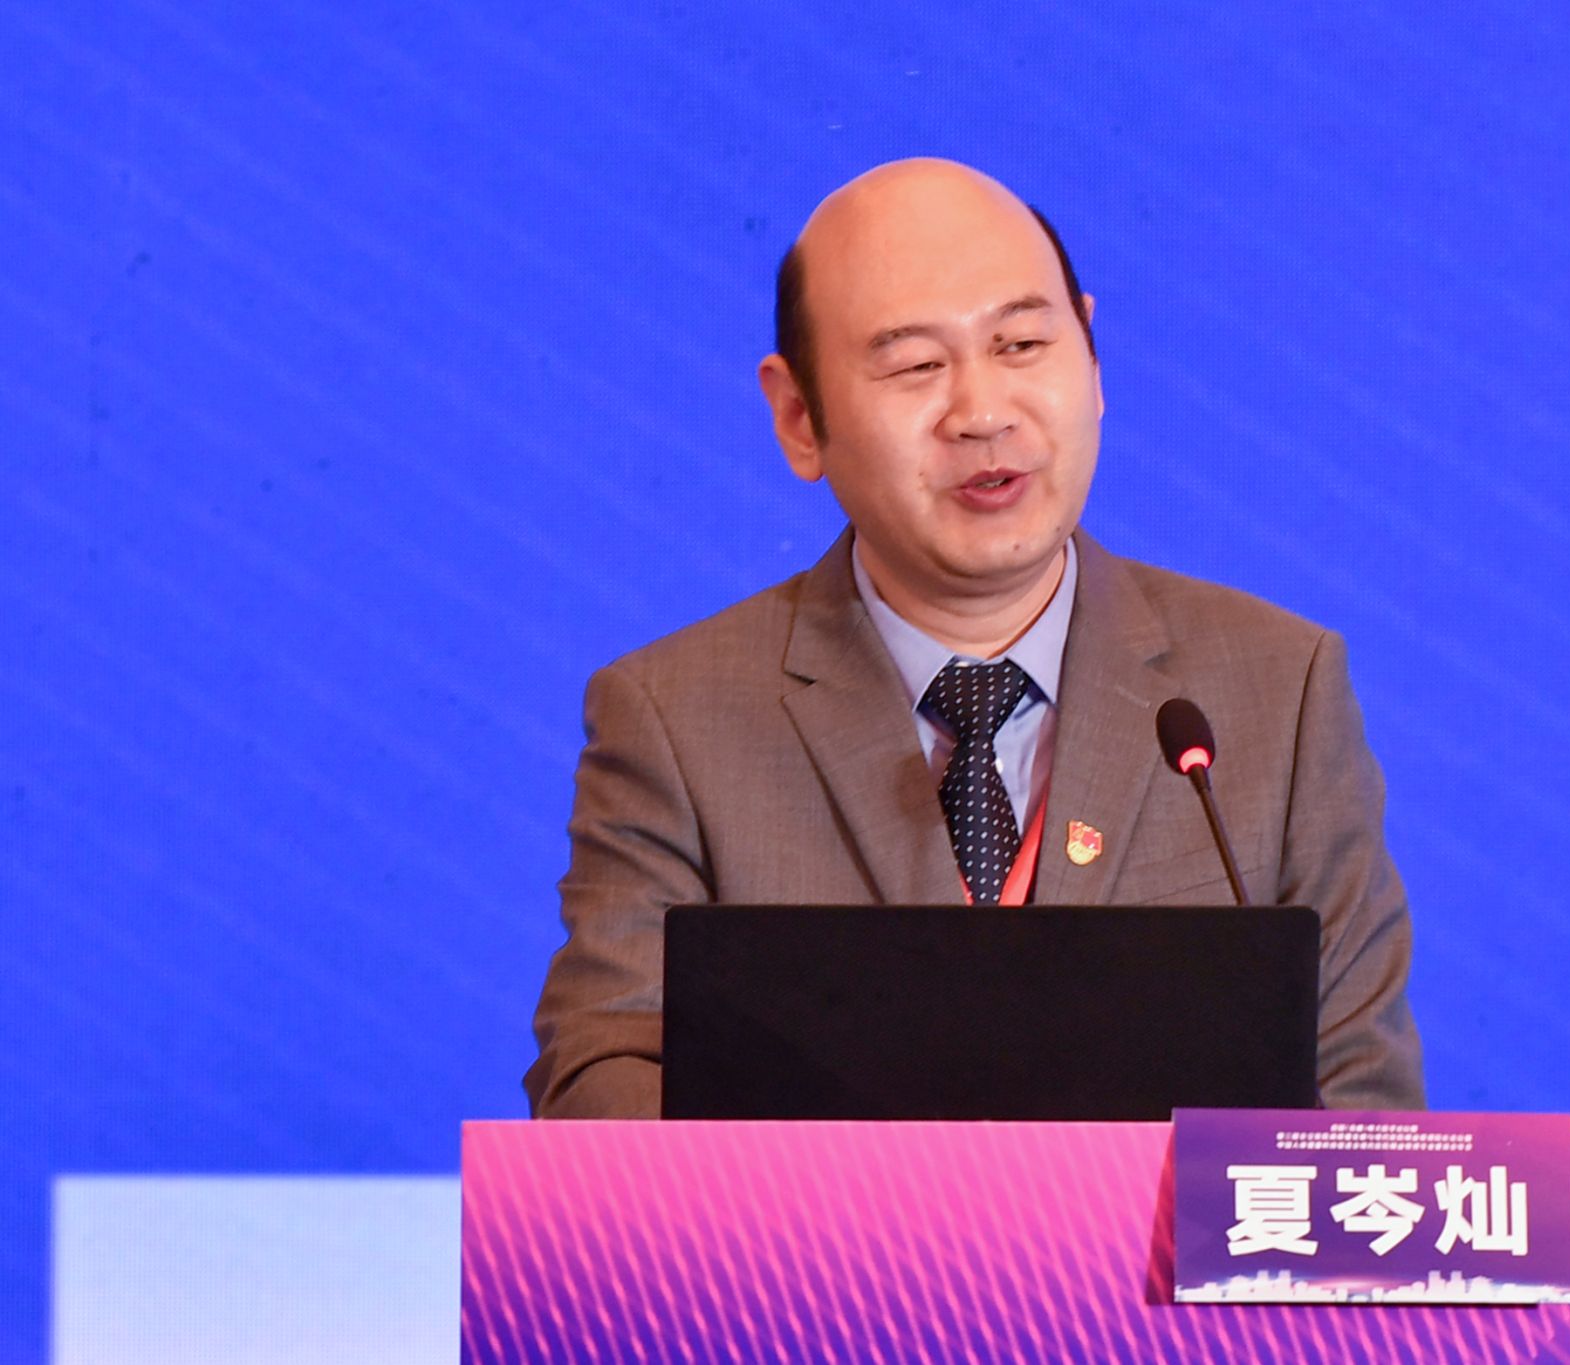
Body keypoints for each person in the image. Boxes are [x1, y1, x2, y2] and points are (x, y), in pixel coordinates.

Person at [525, 158, 1424, 1118]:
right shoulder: (675, 720)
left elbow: (1361, 1105)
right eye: (916, 365)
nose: (984, 413)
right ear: (798, 417)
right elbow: (601, 1082)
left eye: (1023, 343)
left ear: (1092, 357)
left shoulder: (1277, 692)